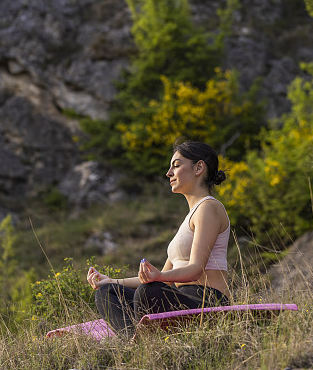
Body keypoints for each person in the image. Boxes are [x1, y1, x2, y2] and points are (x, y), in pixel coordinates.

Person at [87, 140, 231, 336]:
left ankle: (141, 338)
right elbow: (162, 278)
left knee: (149, 291)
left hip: (206, 302)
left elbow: (196, 269)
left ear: (198, 167)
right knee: (107, 293)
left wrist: (159, 278)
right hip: (179, 298)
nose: (168, 173)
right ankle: (135, 343)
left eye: (176, 165)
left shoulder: (209, 207)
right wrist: (111, 280)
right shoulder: (190, 217)